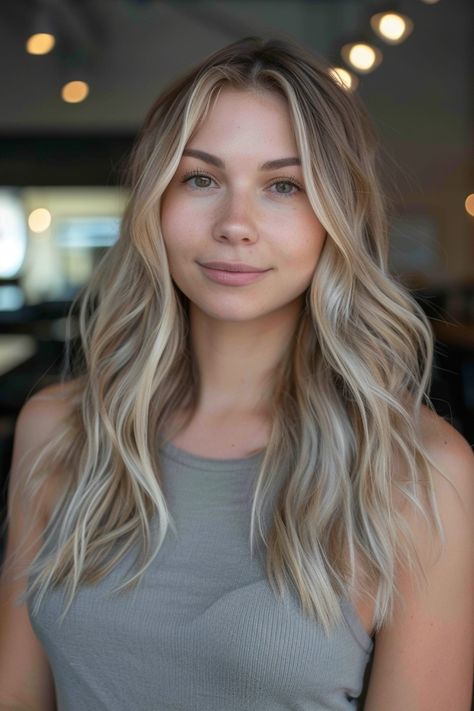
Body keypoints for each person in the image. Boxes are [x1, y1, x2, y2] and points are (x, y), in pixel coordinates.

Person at [0, 36, 473, 711]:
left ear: (336, 218)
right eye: (201, 178)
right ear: (155, 202)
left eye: (284, 186)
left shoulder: (418, 467)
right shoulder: (61, 430)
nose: (234, 224)